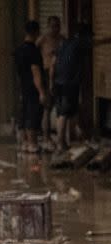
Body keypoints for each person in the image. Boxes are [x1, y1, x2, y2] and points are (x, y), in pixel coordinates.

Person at [53, 23, 89, 151]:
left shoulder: (65, 43)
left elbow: (54, 61)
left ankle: (67, 140)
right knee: (64, 113)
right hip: (69, 83)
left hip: (59, 82)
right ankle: (60, 143)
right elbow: (95, 43)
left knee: (66, 112)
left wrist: (53, 80)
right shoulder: (79, 43)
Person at [14, 20, 47, 153]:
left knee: (25, 113)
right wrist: (42, 92)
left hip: (23, 86)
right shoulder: (33, 51)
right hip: (33, 87)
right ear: (36, 32)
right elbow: (36, 72)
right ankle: (33, 144)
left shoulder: (18, 50)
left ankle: (25, 143)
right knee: (33, 115)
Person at [36, 16, 65, 150]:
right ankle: (46, 137)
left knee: (60, 108)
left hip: (60, 75)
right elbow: (34, 53)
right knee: (47, 107)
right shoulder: (43, 40)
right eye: (52, 26)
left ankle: (61, 138)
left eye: (57, 26)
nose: (55, 29)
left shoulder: (62, 40)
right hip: (46, 74)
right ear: (48, 26)